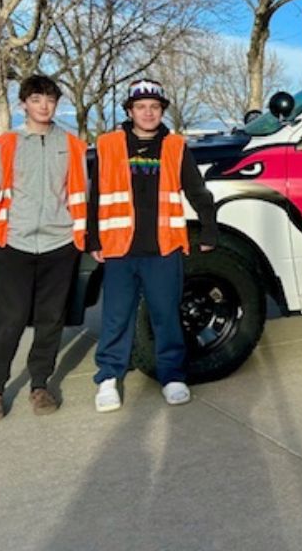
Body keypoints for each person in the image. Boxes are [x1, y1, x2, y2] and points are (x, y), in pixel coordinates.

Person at [89, 78, 219, 413]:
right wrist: (92, 238)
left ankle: (173, 376)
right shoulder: (107, 145)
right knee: (117, 317)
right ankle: (108, 377)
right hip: (120, 248)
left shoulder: (176, 146)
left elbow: (197, 190)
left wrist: (208, 230)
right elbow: (96, 196)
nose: (148, 113)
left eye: (155, 107)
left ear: (162, 111)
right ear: (130, 111)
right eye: (141, 107)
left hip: (164, 248)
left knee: (166, 316)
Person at [0, 74, 87, 421]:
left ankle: (40, 384)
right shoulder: (7, 144)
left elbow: (81, 192)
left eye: (50, 100)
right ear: (24, 103)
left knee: (51, 318)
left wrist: (76, 235)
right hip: (16, 244)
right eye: (37, 99)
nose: (44, 106)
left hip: (60, 243)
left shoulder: (72, 145)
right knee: (10, 319)